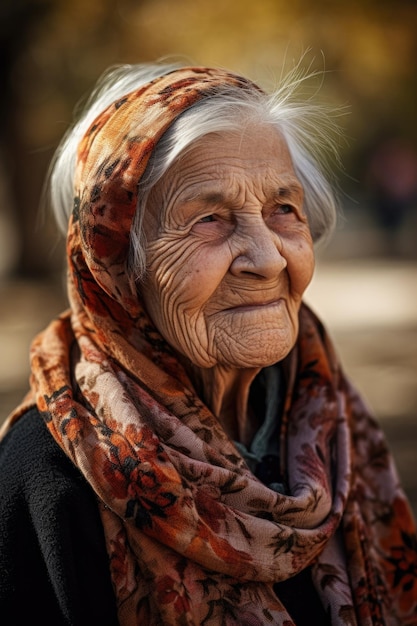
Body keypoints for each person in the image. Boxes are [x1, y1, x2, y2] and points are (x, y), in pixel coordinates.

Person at [0, 61, 416, 626]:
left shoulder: (330, 421)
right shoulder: (49, 478)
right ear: (116, 265)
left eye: (283, 210)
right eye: (210, 220)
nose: (268, 257)